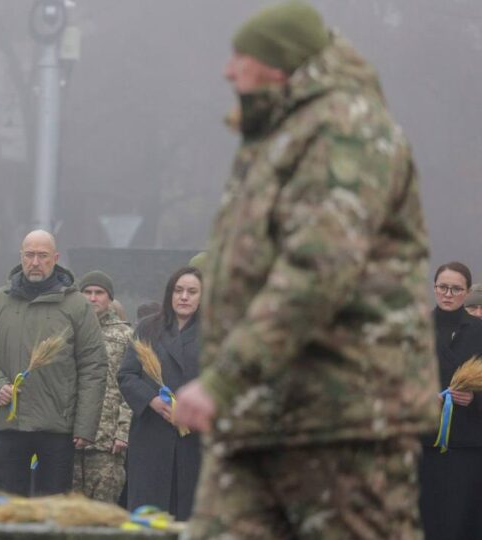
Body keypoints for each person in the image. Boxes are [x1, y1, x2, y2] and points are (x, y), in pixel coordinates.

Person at [172, 2, 438, 537]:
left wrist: (226, 377)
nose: (228, 71)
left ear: (279, 64)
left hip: (344, 418)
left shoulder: (350, 129)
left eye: (240, 58)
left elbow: (319, 267)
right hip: (258, 417)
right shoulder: (279, 136)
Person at [0, 230, 107, 496]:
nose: (35, 262)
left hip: (57, 427)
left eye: (42, 256)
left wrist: (85, 425)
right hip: (9, 423)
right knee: (8, 505)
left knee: (52, 508)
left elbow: (93, 366)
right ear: (21, 256)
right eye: (29, 255)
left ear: (55, 258)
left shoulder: (76, 305)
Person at [118, 267, 202, 520]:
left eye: (192, 292)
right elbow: (127, 375)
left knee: (187, 513)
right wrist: (153, 400)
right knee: (150, 513)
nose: (184, 297)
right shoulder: (147, 328)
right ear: (169, 294)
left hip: (194, 439)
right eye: (178, 291)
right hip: (152, 435)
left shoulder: (213, 334)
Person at [419, 262, 482, 539]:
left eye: (456, 289)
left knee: (464, 522)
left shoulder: (479, 331)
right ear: (433, 289)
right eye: (442, 287)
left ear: (466, 292)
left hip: (468, 445)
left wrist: (474, 398)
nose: (448, 294)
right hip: (423, 444)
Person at [74, 270, 133, 503]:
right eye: (87, 292)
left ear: (110, 298)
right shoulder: (68, 332)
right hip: (70, 439)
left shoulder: (125, 335)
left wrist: (123, 432)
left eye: (99, 293)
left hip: (108, 444)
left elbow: (130, 388)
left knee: (103, 512)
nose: (92, 298)